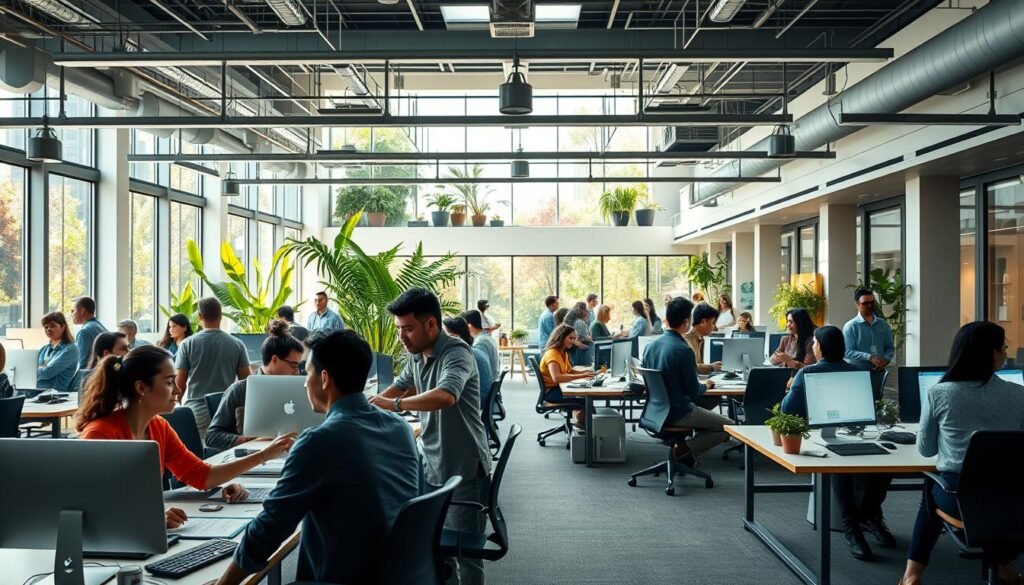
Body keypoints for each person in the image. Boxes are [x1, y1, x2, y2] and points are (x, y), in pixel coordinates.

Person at [213, 329, 420, 585]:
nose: (303, 382)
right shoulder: (400, 428)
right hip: (399, 572)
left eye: (306, 372)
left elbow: (269, 528)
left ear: (324, 378)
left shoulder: (320, 441)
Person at [77, 346, 294, 528]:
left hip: (140, 533)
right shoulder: (100, 433)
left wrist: (263, 455)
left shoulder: (159, 426)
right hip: (112, 541)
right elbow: (93, 507)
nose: (178, 389)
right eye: (170, 382)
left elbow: (200, 476)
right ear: (141, 388)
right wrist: (149, 520)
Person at [369, 288, 491, 585]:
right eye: (399, 329)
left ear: (432, 325)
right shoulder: (416, 354)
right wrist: (366, 408)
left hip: (465, 467)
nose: (402, 337)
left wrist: (394, 405)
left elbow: (447, 396)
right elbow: (398, 386)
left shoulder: (457, 352)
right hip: (433, 463)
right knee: (437, 549)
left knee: (466, 555)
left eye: (408, 329)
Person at [899, 322, 1024, 585]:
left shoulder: (940, 393)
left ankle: (912, 576)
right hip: (1014, 500)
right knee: (998, 505)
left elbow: (926, 450)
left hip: (961, 500)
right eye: (1003, 348)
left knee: (930, 484)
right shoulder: (1019, 394)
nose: (1005, 353)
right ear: (991, 353)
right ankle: (1001, 566)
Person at [781, 325, 891, 561]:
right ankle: (856, 526)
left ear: (819, 347)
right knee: (876, 465)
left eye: (815, 344)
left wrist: (790, 391)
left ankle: (865, 519)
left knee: (862, 462)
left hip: (821, 433)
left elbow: (787, 411)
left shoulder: (807, 373)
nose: (813, 346)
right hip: (834, 437)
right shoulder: (856, 371)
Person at [642, 297, 734, 466]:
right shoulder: (683, 350)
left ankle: (682, 450)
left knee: (710, 418)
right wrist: (707, 384)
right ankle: (683, 451)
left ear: (667, 319)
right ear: (686, 322)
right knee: (729, 427)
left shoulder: (650, 347)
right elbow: (694, 391)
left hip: (655, 411)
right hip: (679, 412)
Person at [206, 320, 305, 449]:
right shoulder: (240, 390)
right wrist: (248, 439)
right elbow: (212, 437)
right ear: (275, 360)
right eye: (294, 365)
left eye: (299, 366)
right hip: (252, 461)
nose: (297, 371)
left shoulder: (299, 389)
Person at [175, 297, 251, 437]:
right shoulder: (237, 344)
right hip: (226, 411)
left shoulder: (187, 344)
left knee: (199, 453)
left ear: (200, 316)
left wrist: (176, 411)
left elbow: (179, 384)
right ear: (220, 316)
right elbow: (246, 382)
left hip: (196, 411)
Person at [843, 287, 895, 397]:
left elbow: (890, 347)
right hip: (857, 375)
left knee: (878, 404)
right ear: (857, 305)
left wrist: (885, 359)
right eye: (865, 303)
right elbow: (846, 352)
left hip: (878, 373)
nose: (870, 306)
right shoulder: (851, 327)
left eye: (872, 302)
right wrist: (869, 357)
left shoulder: (883, 325)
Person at [538, 324, 592, 428]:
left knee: (584, 398)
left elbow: (569, 370)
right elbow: (557, 377)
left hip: (557, 389)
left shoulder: (563, 352)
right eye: (570, 338)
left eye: (574, 339)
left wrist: (583, 373)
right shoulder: (553, 353)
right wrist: (580, 377)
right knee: (586, 403)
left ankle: (581, 426)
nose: (573, 341)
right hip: (551, 393)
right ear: (561, 337)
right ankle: (583, 430)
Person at [444, 316, 494, 410]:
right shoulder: (473, 351)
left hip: (477, 402)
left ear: (455, 336)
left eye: (443, 335)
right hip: (486, 400)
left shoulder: (463, 356)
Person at [37, 312, 80, 393]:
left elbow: (47, 372)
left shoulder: (71, 349)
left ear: (63, 327)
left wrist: (36, 370)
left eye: (52, 326)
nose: (48, 329)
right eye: (46, 327)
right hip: (34, 391)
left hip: (53, 395)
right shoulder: (44, 349)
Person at [683, 303, 722, 375]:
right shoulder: (687, 340)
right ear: (703, 322)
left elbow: (698, 365)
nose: (714, 327)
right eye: (713, 323)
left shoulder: (700, 339)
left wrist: (712, 366)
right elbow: (693, 367)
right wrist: (712, 367)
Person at [71, 296, 107, 369]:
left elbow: (82, 364)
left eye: (73, 311)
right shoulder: (99, 326)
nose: (71, 314)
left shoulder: (84, 332)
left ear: (82, 311)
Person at [463, 309, 499, 377]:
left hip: (487, 382)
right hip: (493, 379)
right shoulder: (487, 338)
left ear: (469, 326)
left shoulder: (480, 342)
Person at [565, 302, 594, 367]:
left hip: (575, 354)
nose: (587, 312)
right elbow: (584, 338)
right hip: (581, 355)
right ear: (581, 311)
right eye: (586, 310)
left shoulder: (572, 321)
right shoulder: (579, 323)